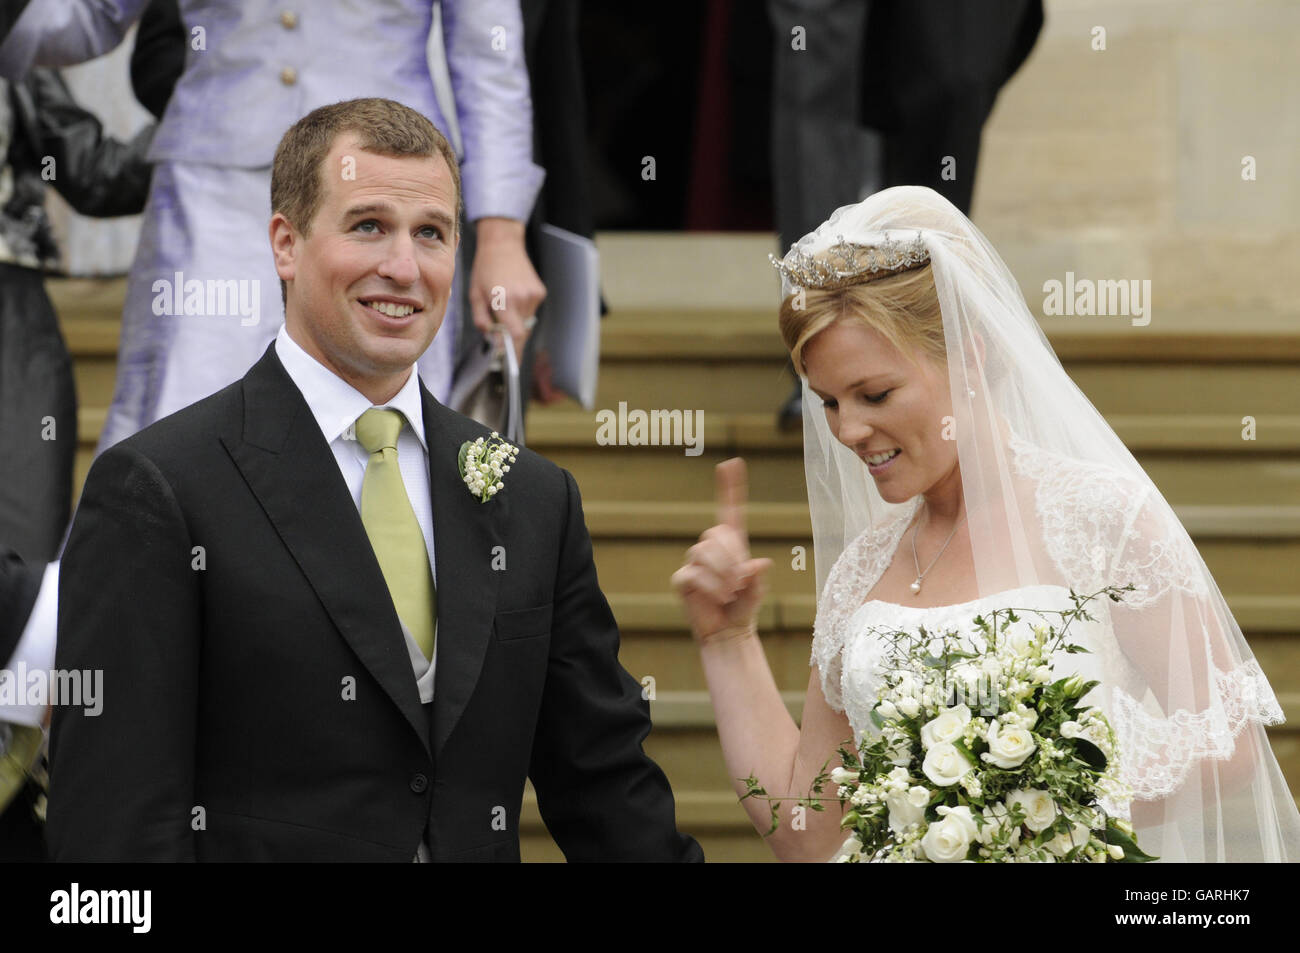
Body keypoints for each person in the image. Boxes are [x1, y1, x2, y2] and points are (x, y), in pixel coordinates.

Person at [48, 98, 702, 862]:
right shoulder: (158, 489)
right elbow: (114, 836)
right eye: (368, 226)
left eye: (431, 234)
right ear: (285, 244)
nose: (404, 266)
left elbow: (606, 786)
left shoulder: (533, 499)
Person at [673, 185, 1300, 862]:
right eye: (827, 401)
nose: (849, 430)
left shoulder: (1101, 519)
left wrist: (1012, 805)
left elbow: (1225, 739)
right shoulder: (863, 571)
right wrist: (729, 640)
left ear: (971, 355)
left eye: (875, 393)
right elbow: (811, 834)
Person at [0, 0, 546, 456]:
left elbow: (487, 57)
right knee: (182, 421)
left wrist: (502, 236)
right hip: (211, 195)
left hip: (389, 186)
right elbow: (89, 15)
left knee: (377, 424)